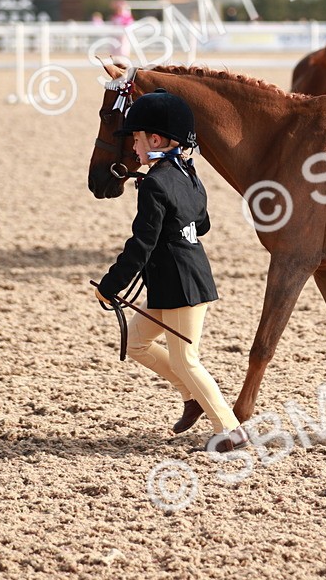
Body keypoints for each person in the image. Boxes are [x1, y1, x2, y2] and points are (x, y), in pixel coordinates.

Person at [95, 89, 248, 453]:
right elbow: (204, 224)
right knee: (136, 343)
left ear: (157, 139)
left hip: (182, 284)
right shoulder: (189, 175)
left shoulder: (154, 185)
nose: (133, 146)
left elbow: (141, 245)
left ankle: (230, 429)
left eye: (136, 138)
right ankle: (192, 397)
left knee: (185, 359)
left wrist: (111, 285)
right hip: (174, 281)